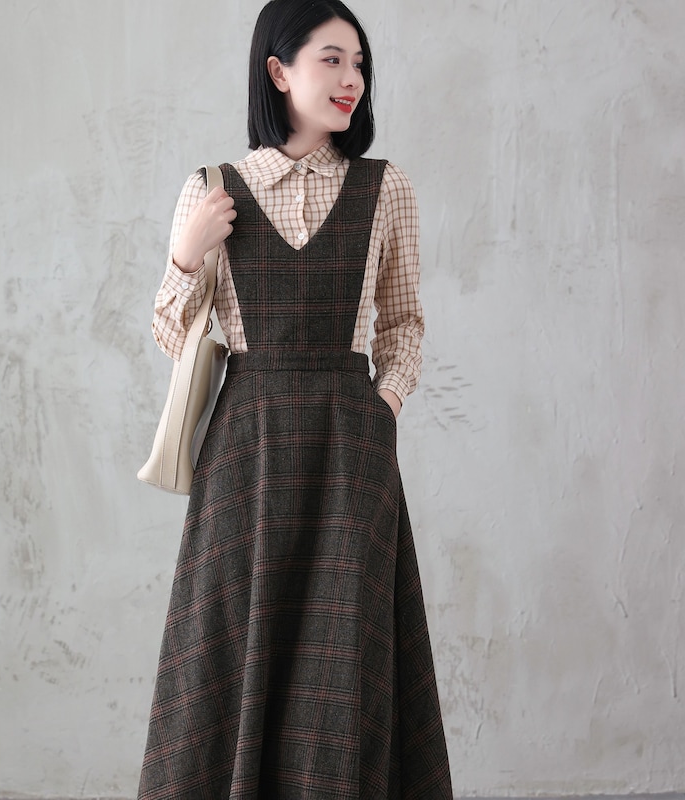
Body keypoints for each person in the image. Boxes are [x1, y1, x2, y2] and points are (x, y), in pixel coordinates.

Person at [137, 0, 453, 797]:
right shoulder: (212, 190)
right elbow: (173, 338)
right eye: (331, 60)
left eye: (359, 63)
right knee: (229, 650)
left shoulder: (386, 189)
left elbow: (404, 324)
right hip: (245, 454)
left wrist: (382, 409)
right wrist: (186, 257)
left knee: (341, 661)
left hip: (352, 452)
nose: (352, 79)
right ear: (278, 71)